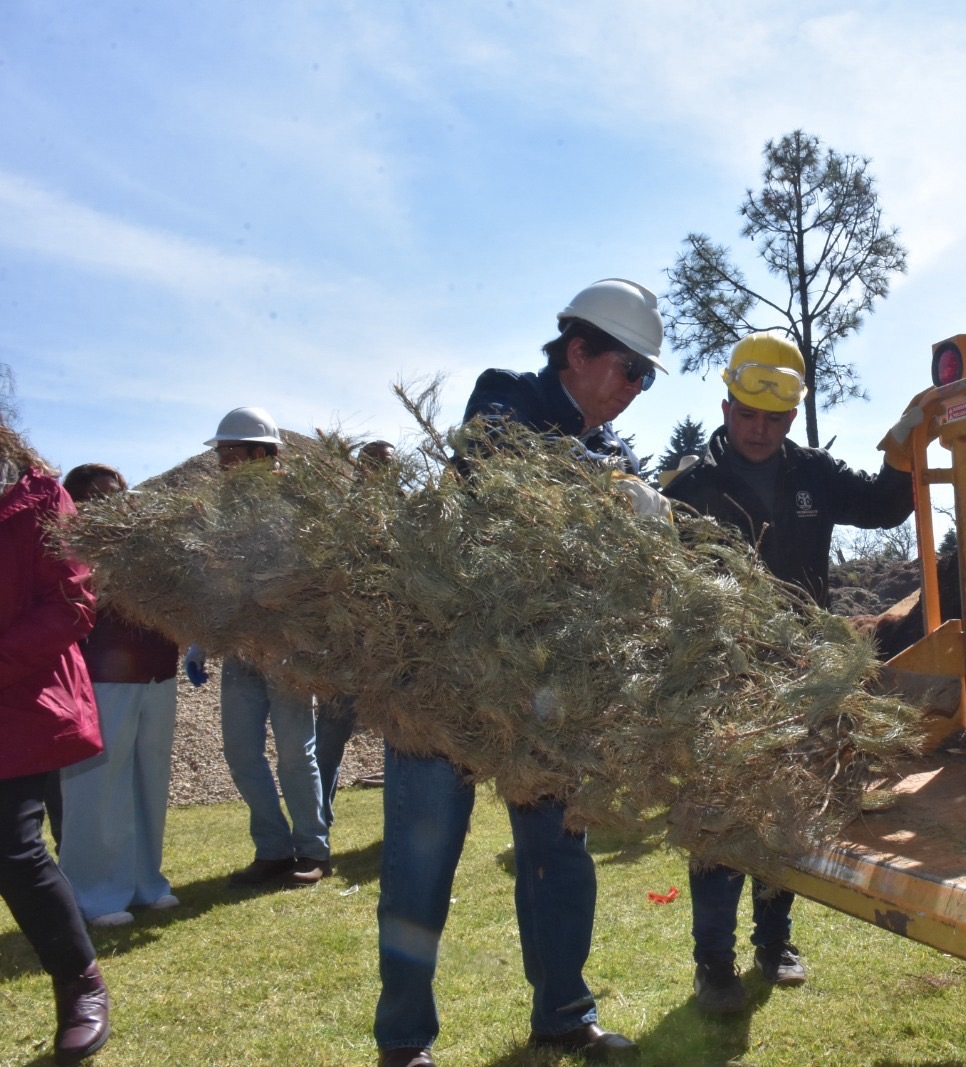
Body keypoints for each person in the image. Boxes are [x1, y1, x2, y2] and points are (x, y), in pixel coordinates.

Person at [375, 278, 670, 1067]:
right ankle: (404, 1040)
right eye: (630, 371)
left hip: (545, 688)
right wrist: (611, 493)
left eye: (647, 378)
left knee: (558, 856)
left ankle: (564, 1013)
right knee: (420, 862)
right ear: (578, 351)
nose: (636, 392)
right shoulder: (503, 399)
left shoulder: (614, 452)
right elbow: (498, 468)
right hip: (443, 676)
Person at [661, 330, 916, 1015]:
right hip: (720, 678)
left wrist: (903, 451)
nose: (760, 429)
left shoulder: (813, 473)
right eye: (748, 414)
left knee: (785, 811)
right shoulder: (692, 488)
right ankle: (713, 962)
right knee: (719, 817)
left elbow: (887, 507)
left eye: (775, 418)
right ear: (725, 407)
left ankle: (775, 941)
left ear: (792, 417)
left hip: (803, 672)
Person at [0, 420, 112, 1063]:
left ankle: (79, 982)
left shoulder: (39, 498)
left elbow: (72, 601)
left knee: (13, 847)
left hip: (16, 700)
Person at [185, 407, 331, 887]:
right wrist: (198, 642)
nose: (223, 459)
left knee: (295, 752)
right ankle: (272, 849)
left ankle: (313, 850)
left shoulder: (296, 503)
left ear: (261, 453)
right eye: (222, 451)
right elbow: (211, 580)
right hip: (242, 652)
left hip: (287, 650)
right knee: (241, 753)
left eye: (230, 450)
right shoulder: (220, 510)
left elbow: (313, 577)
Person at [57, 464, 181, 928]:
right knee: (97, 786)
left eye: (115, 493)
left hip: (156, 672)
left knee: (149, 782)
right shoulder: (68, 544)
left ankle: (146, 882)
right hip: (101, 676)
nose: (109, 503)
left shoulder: (139, 542)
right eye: (95, 496)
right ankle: (92, 893)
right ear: (74, 502)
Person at [314, 439, 396, 828]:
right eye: (373, 463)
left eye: (387, 465)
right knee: (329, 735)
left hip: (395, 652)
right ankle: (318, 823)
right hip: (345, 650)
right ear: (360, 467)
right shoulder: (339, 520)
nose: (380, 471)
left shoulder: (406, 518)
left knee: (402, 740)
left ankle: (404, 824)